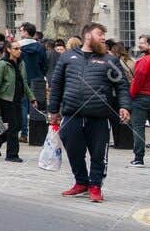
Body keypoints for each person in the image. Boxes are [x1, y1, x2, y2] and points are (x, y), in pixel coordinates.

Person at [47, 21, 132, 202]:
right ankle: (81, 182)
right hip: (72, 114)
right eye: (99, 34)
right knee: (73, 150)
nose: (103, 38)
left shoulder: (109, 60)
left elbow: (122, 86)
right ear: (87, 35)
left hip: (99, 115)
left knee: (98, 153)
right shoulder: (68, 57)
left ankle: (95, 186)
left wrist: (124, 106)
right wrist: (53, 110)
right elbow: (57, 85)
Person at [0, 41, 30, 162]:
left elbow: (24, 83)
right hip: (6, 99)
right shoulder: (3, 64)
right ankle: (12, 155)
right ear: (9, 50)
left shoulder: (21, 64)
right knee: (14, 125)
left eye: (20, 48)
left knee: (19, 125)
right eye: (16, 48)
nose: (19, 51)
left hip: (17, 98)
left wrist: (32, 98)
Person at [127, 33, 150, 168]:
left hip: (141, 97)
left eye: (142, 42)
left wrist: (132, 93)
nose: (140, 45)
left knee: (138, 128)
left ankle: (138, 158)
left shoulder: (144, 60)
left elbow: (138, 79)